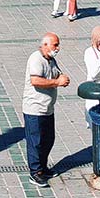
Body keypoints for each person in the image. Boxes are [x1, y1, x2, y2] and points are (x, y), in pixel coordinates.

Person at [22, 33, 70, 187]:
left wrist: (63, 77)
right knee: (35, 141)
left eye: (58, 45)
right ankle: (35, 172)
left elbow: (58, 73)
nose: (57, 48)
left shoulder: (51, 60)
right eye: (55, 45)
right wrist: (57, 82)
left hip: (47, 108)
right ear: (45, 45)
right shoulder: (36, 59)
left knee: (48, 140)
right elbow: (35, 80)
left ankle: (42, 167)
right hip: (34, 109)